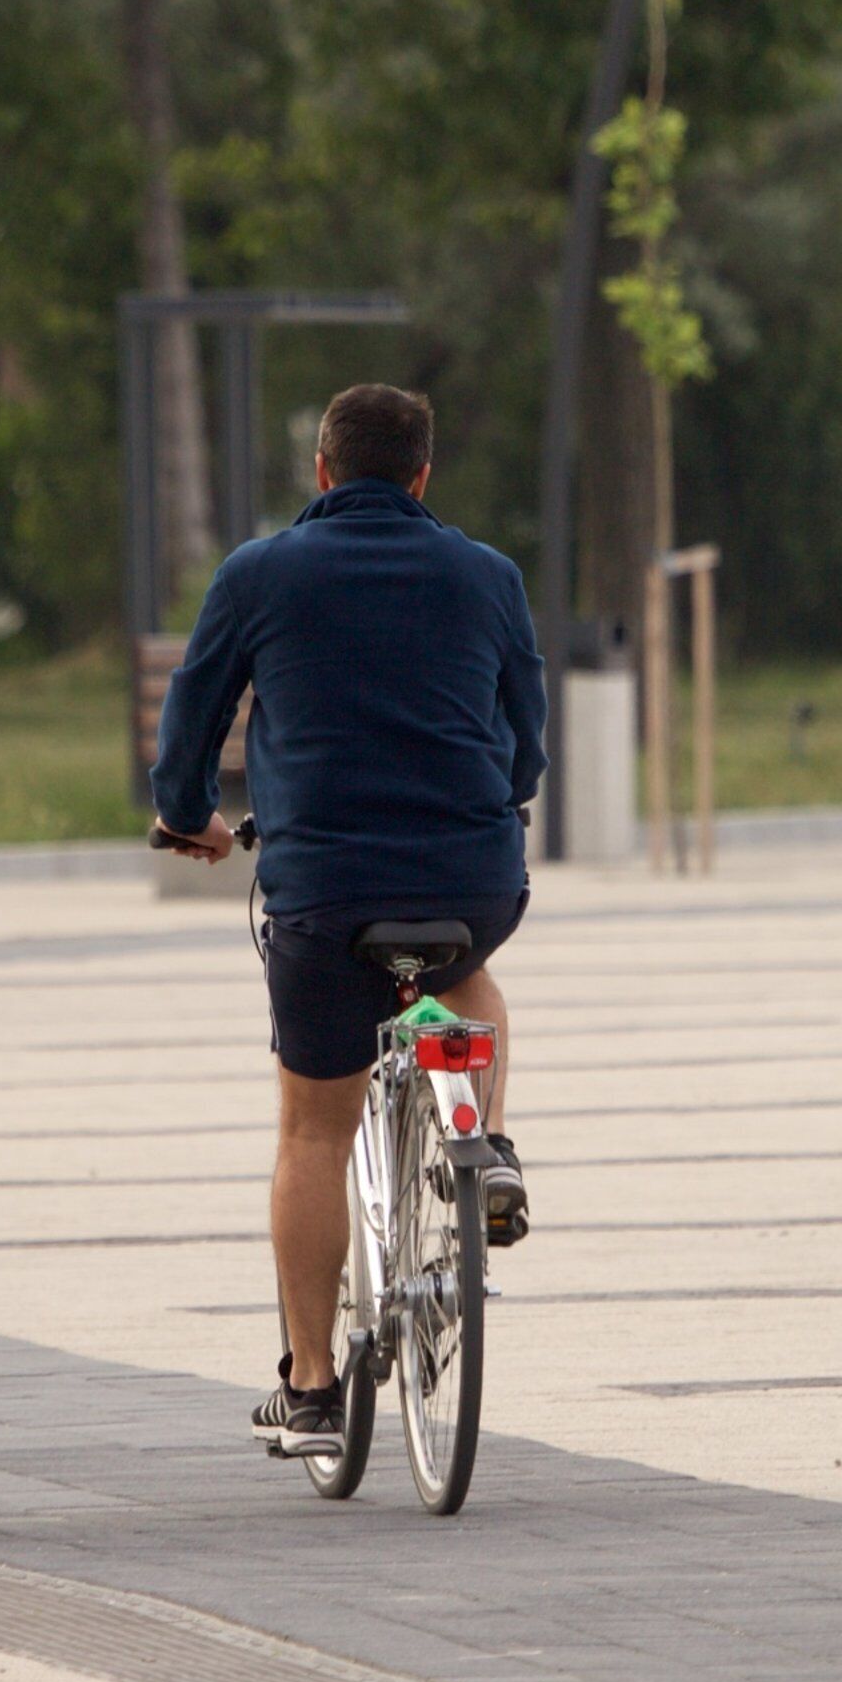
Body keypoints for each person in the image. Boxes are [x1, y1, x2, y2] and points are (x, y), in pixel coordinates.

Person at [149, 383, 545, 1461]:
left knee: (313, 1131)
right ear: (423, 475)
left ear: (321, 471)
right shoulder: (487, 574)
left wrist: (188, 818)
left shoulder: (260, 573)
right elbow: (527, 731)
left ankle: (314, 1385)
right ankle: (490, 1143)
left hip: (323, 891)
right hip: (471, 881)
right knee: (466, 983)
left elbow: (194, 710)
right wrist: (498, 798)